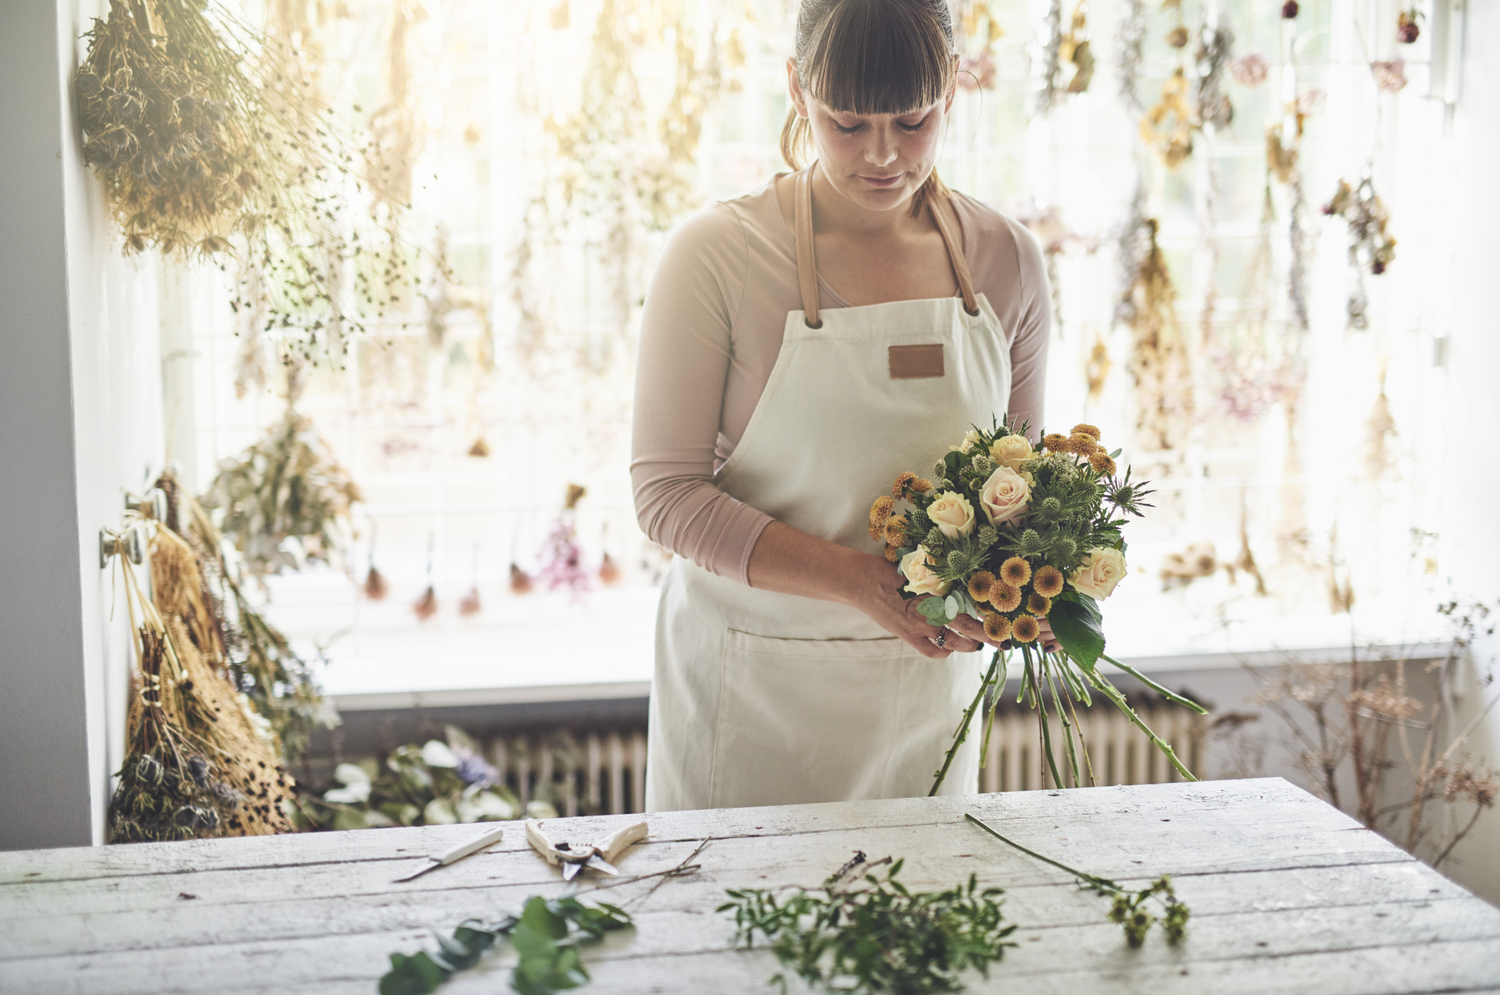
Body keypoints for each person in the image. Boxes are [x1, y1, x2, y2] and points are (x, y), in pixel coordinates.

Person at [631, 0, 1050, 812]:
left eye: (914, 120)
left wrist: (1026, 586)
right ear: (797, 90)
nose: (884, 155)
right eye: (848, 123)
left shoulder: (1006, 262)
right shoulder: (716, 256)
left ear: (953, 90)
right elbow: (666, 497)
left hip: (923, 698)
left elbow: (1022, 487)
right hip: (746, 692)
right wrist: (863, 583)